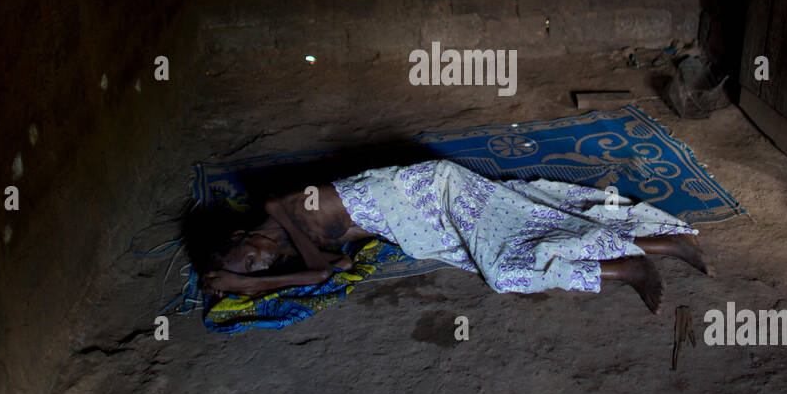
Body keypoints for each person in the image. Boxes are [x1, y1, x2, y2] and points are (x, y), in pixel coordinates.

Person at [191, 160, 713, 314]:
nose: (260, 265)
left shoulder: (276, 209)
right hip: (425, 224)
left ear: (239, 235)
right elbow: (329, 268)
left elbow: (323, 271)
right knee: (517, 250)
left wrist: (246, 289)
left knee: (508, 265)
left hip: (434, 192)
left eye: (246, 259)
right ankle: (642, 257)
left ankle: (649, 254)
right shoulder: (286, 239)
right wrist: (247, 282)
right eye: (256, 271)